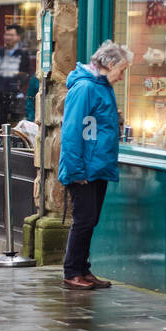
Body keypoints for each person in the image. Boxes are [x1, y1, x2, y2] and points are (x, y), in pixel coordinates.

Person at [57, 40, 132, 290]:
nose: (121, 77)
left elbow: (94, 122)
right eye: (121, 70)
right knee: (84, 219)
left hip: (97, 166)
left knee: (91, 220)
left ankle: (82, 268)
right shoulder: (85, 88)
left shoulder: (101, 86)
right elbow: (71, 131)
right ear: (109, 64)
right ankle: (72, 271)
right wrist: (76, 171)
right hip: (84, 169)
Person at [0, 24, 33, 127]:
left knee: (14, 124)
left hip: (15, 95)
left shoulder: (23, 54)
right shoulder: (0, 52)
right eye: (6, 35)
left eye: (11, 35)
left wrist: (18, 84)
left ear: (18, 37)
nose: (8, 37)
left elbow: (26, 74)